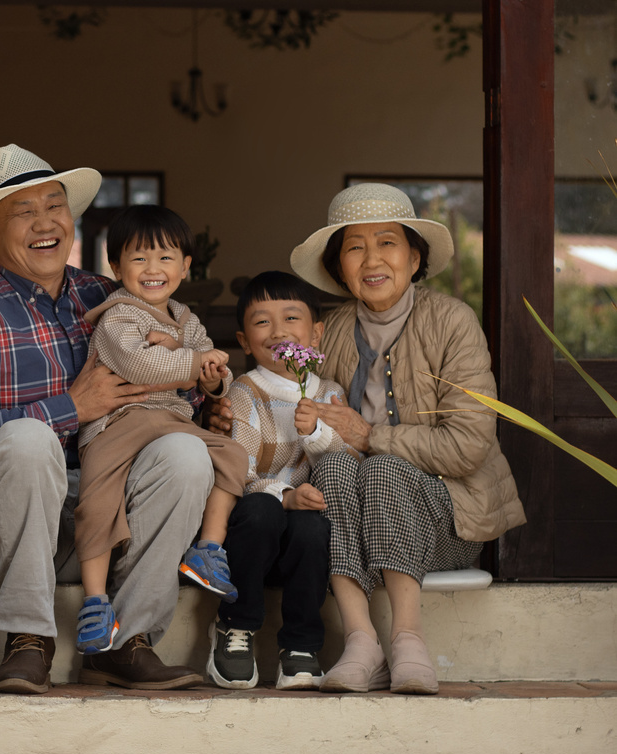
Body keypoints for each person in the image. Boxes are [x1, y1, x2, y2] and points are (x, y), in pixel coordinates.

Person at [0, 144, 208, 694]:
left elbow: (164, 394)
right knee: (30, 440)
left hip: (102, 522)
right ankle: (28, 640)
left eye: (54, 206)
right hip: (4, 525)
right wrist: (70, 409)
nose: (45, 223)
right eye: (23, 212)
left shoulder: (108, 295)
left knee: (185, 453)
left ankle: (123, 642)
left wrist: (206, 397)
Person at [290, 183, 526, 694]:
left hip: (449, 518)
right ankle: (360, 642)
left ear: (415, 256)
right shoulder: (325, 334)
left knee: (383, 465)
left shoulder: (452, 322)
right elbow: (291, 409)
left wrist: (371, 435)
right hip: (353, 518)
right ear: (338, 267)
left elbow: (469, 445)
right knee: (332, 467)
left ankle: (407, 639)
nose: (371, 260)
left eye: (387, 243)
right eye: (354, 247)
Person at [73, 204, 248, 655]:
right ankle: (96, 603)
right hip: (119, 423)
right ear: (115, 266)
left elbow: (211, 365)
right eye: (138, 258)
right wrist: (190, 362)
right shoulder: (118, 314)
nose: (153, 269)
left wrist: (212, 376)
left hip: (170, 421)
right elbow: (138, 364)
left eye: (166, 258)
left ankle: (208, 548)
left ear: (186, 266)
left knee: (233, 455)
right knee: (98, 504)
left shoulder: (187, 319)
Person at [209, 271, 353, 690]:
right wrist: (285, 496)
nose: (278, 332)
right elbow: (240, 471)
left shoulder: (329, 394)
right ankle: (236, 626)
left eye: (292, 319)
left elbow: (349, 460)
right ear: (242, 340)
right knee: (260, 511)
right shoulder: (244, 392)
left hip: (304, 524)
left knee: (313, 527)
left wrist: (317, 431)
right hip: (256, 525)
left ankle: (302, 646)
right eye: (261, 322)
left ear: (316, 333)